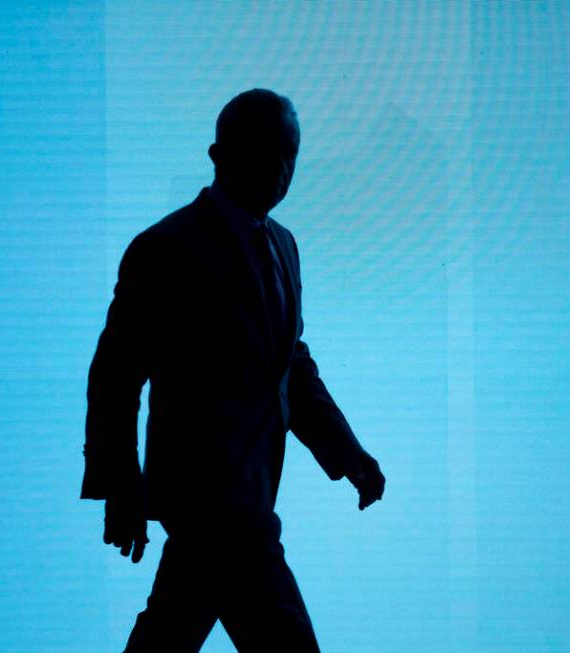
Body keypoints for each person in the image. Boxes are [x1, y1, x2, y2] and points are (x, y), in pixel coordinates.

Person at [80, 88, 386, 652]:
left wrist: (349, 455)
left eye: (290, 153)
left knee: (172, 622)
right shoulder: (165, 248)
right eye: (266, 149)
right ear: (220, 154)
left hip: (246, 494)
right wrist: (122, 487)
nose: (281, 167)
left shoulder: (285, 247)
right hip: (211, 502)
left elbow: (289, 365)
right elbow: (117, 374)